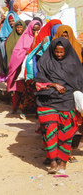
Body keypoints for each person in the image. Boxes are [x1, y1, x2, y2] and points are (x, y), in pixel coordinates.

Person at [35, 37, 83, 174]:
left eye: (62, 52)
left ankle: (63, 162)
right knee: (49, 132)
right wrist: (53, 84)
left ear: (67, 51)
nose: (59, 55)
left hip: (67, 102)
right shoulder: (45, 62)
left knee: (66, 134)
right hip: (47, 102)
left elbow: (79, 84)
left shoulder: (74, 64)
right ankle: (53, 162)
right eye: (56, 52)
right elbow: (38, 81)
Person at [7, 20, 41, 115]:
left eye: (38, 30)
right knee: (20, 89)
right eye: (34, 30)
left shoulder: (41, 37)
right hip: (23, 68)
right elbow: (17, 52)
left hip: (35, 68)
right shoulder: (25, 37)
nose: (36, 32)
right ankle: (17, 108)